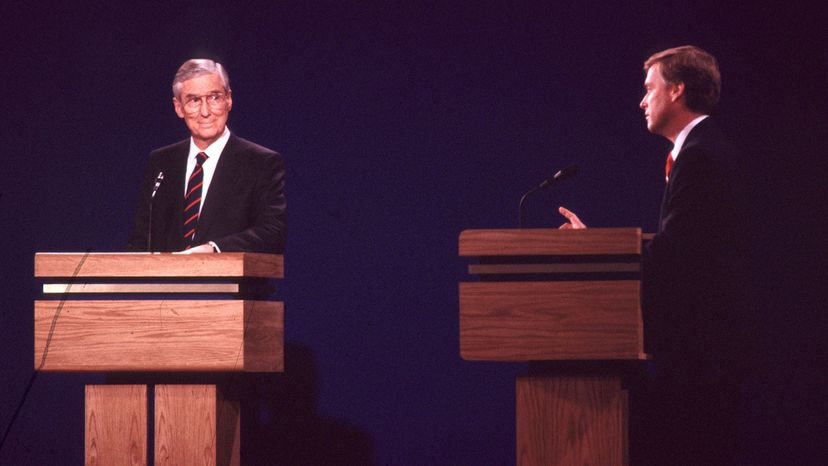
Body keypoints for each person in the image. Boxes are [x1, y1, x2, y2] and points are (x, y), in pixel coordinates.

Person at [559, 45, 748, 464]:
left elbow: (678, 253)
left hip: (701, 352)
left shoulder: (701, 155)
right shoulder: (699, 150)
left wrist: (597, 253)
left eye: (650, 88)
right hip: (702, 347)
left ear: (678, 90)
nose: (643, 100)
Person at [128, 59, 286, 253]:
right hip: (166, 283)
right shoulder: (161, 162)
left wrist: (214, 249)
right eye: (194, 100)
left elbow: (272, 234)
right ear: (178, 107)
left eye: (214, 98)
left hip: (233, 282)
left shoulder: (261, 162)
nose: (205, 112)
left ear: (229, 100)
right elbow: (141, 240)